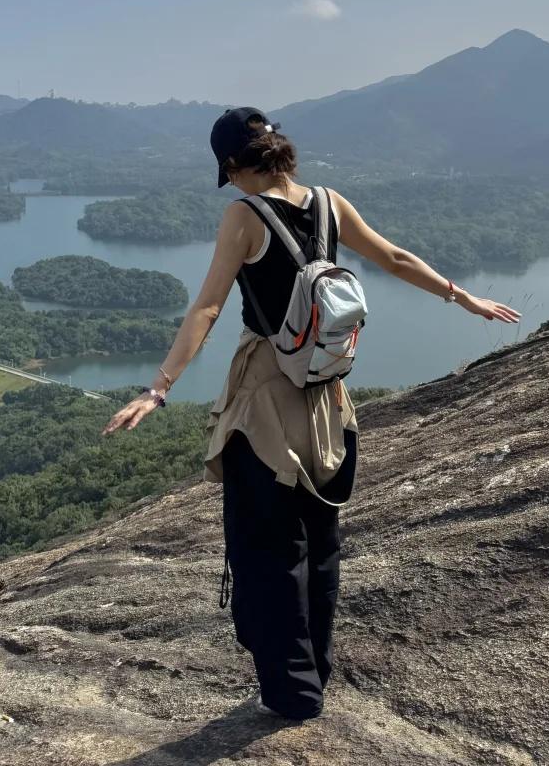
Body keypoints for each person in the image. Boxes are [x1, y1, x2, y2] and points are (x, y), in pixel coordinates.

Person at [101, 107, 521, 721]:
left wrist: (158, 388)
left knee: (267, 550)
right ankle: (312, 676)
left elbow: (208, 308)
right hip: (328, 400)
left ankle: (293, 695)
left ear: (236, 165)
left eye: (231, 174)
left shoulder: (244, 216)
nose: (235, 185)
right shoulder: (329, 202)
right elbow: (396, 258)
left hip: (266, 399)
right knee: (319, 547)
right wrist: (464, 298)